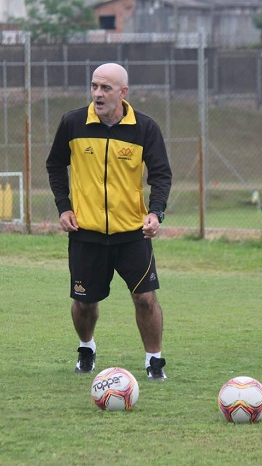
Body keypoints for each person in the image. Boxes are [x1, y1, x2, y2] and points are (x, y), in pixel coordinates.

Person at [46, 62, 172, 381]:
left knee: (145, 298)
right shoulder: (73, 123)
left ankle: (154, 361)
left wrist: (155, 212)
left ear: (123, 92)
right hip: (85, 233)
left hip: (132, 234)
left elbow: (161, 174)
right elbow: (55, 165)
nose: (97, 94)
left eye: (105, 88)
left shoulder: (145, 128)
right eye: (94, 86)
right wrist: (64, 207)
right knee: (84, 304)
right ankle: (86, 348)